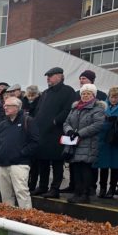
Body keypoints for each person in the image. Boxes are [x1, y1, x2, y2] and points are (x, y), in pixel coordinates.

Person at [32, 67, 76, 198]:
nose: (48, 78)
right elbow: (39, 110)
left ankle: (55, 189)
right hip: (42, 132)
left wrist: (56, 121)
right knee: (42, 161)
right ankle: (43, 186)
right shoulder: (45, 92)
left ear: (60, 76)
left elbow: (68, 109)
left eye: (50, 76)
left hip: (56, 132)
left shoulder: (68, 91)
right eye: (47, 76)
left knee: (57, 162)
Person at [63, 84, 107, 204]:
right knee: (76, 168)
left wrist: (80, 133)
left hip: (88, 143)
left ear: (93, 95)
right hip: (74, 143)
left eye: (88, 93)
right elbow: (66, 122)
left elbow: (98, 125)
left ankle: (85, 194)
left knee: (85, 169)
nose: (85, 96)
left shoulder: (98, 109)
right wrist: (70, 131)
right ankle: (77, 192)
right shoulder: (75, 108)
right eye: (83, 93)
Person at [0, 97, 39, 209]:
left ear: (17, 107)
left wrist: (20, 153)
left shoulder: (28, 121)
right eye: (5, 105)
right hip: (2, 164)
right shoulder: (1, 124)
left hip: (20, 164)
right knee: (5, 196)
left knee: (21, 193)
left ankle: (28, 220)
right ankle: (8, 221)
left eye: (8, 105)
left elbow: (35, 142)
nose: (5, 107)